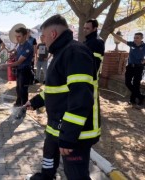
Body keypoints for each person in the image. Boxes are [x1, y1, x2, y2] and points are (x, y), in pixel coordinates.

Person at [24, 14, 100, 180]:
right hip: (57, 126)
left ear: (53, 34)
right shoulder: (61, 53)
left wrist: (68, 136)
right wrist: (35, 102)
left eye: (43, 36)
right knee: (49, 155)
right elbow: (56, 89)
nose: (42, 40)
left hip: (75, 134)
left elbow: (81, 98)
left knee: (75, 174)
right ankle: (46, 176)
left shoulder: (75, 52)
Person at [0, 27, 33, 107]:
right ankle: (18, 104)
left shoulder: (28, 47)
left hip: (25, 72)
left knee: (23, 91)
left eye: (19, 36)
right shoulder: (20, 46)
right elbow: (17, 54)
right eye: (16, 36)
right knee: (18, 89)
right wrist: (13, 54)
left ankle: (22, 110)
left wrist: (5, 65)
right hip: (19, 71)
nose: (17, 38)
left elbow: (18, 62)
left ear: (25, 36)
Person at [112, 32, 145, 105]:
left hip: (139, 67)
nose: (135, 39)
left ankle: (132, 100)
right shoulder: (131, 44)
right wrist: (112, 33)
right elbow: (121, 39)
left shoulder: (144, 46)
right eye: (134, 37)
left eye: (137, 38)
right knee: (127, 83)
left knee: (136, 84)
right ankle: (140, 96)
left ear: (141, 38)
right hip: (130, 67)